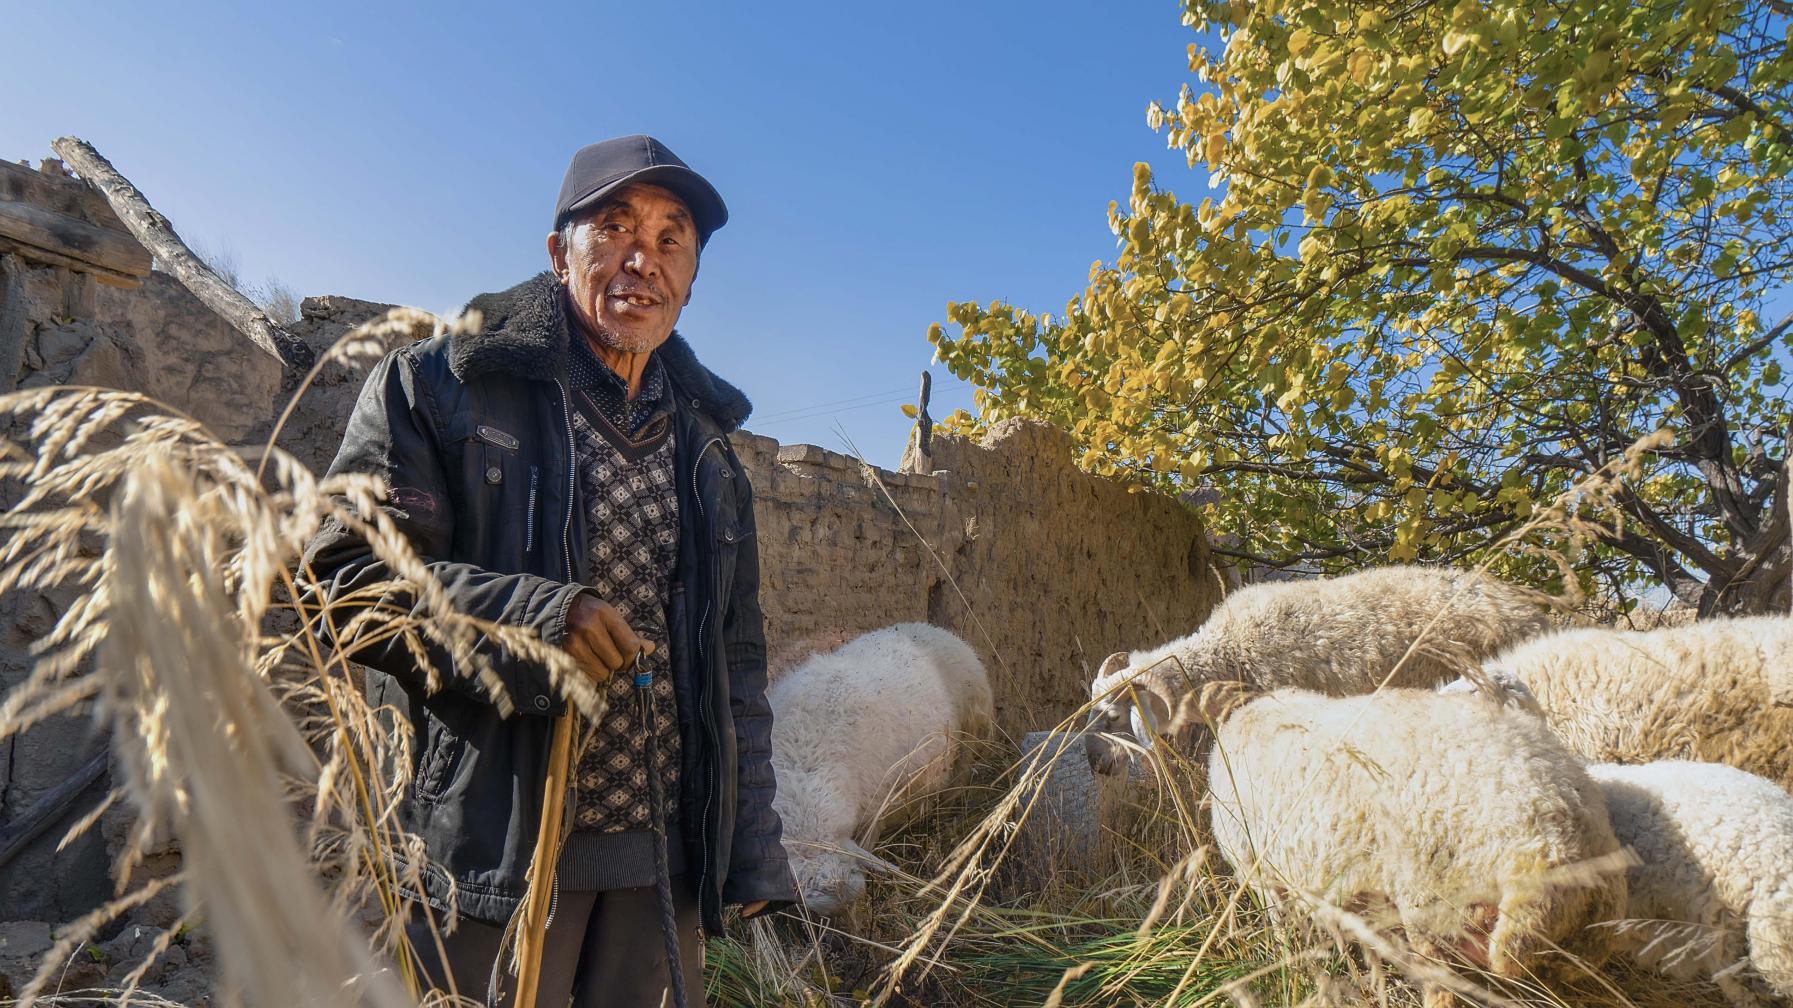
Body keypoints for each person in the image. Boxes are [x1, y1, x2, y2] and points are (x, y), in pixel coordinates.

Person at [303, 135, 795, 1006]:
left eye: (672, 238)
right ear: (556, 251)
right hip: (493, 855)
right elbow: (344, 582)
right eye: (613, 227)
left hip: (660, 869)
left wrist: (748, 844)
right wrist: (533, 622)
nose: (642, 259)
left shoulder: (709, 448)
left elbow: (737, 664)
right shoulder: (440, 386)